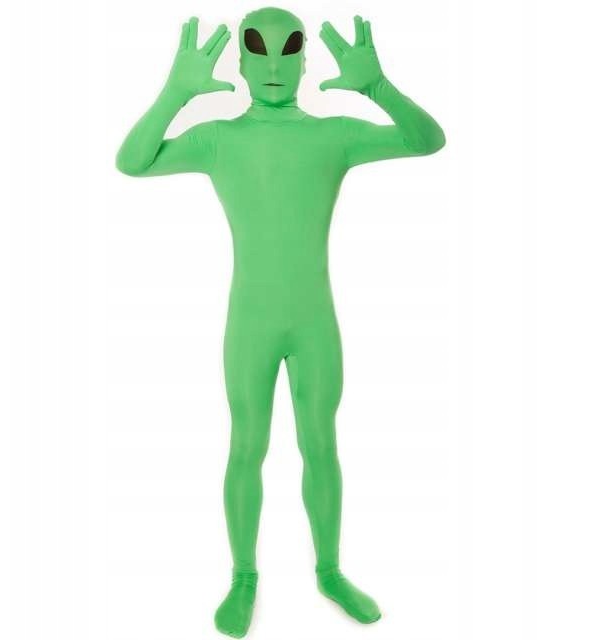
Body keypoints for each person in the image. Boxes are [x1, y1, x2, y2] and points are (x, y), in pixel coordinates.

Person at [116, 7, 445, 637]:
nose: (272, 64)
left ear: (304, 61)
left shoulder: (333, 135)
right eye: (258, 49)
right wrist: (175, 93)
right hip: (251, 324)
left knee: (321, 443)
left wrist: (379, 87)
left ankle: (329, 571)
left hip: (314, 321)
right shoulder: (219, 139)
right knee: (247, 445)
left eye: (288, 48)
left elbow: (427, 140)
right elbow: (132, 161)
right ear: (240, 62)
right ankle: (243, 576)